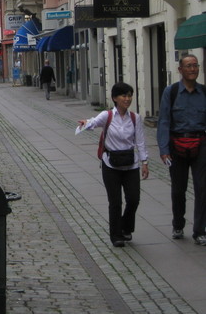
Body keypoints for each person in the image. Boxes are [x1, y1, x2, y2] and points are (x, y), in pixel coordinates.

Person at [78, 82, 149, 247]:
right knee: (115, 202)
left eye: (129, 95)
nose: (127, 99)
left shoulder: (135, 118)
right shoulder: (107, 115)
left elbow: (140, 141)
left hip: (130, 164)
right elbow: (94, 122)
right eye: (124, 96)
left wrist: (144, 162)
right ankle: (116, 235)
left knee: (133, 199)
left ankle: (126, 227)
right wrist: (85, 123)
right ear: (115, 98)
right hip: (111, 164)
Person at [157, 54, 206, 243]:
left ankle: (200, 230)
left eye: (195, 65)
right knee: (178, 190)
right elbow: (163, 121)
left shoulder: (204, 92)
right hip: (177, 144)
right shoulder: (171, 92)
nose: (193, 69)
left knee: (202, 189)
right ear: (180, 70)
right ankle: (178, 224)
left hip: (200, 143)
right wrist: (164, 149)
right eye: (188, 66)